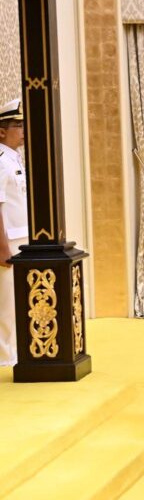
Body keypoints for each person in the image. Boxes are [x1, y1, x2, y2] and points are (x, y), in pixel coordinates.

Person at [0, 98, 26, 367]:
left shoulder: (14, 158)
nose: (23, 130)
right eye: (17, 125)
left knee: (18, 300)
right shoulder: (1, 161)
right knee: (6, 303)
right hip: (9, 240)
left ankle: (15, 352)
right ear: (2, 131)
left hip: (22, 237)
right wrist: (2, 247)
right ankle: (4, 356)